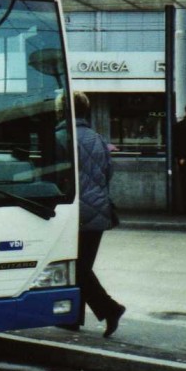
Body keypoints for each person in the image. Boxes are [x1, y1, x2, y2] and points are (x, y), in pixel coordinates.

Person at [73, 91, 125, 337]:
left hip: (75, 213)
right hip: (99, 210)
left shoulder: (63, 137)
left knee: (76, 268)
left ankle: (110, 308)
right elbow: (108, 172)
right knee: (80, 266)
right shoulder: (97, 138)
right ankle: (73, 318)